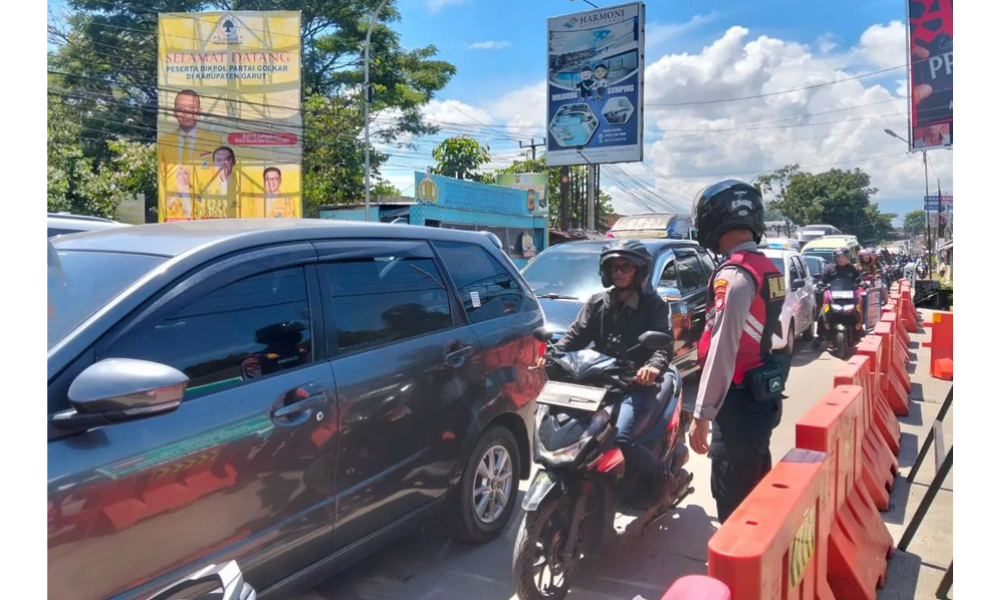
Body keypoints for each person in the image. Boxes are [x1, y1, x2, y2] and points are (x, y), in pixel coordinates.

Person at [534, 240, 674, 497]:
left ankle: (661, 475)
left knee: (619, 436)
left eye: (626, 267)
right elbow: (573, 336)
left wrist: (651, 368)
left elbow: (662, 347)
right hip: (598, 382)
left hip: (635, 385)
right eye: (614, 267)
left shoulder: (654, 306)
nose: (619, 272)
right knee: (570, 428)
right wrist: (552, 354)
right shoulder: (598, 302)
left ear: (639, 272)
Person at [686, 180, 788, 524]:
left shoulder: (734, 275)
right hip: (762, 397)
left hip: (738, 403)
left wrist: (702, 414)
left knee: (733, 497)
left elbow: (722, 349)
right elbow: (772, 336)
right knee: (756, 481)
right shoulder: (769, 269)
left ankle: (737, 572)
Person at [202, 146, 240, 218]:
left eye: (226, 159)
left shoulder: (243, 185)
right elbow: (202, 213)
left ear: (234, 162)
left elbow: (246, 214)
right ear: (214, 164)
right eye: (219, 160)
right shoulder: (209, 186)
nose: (222, 163)